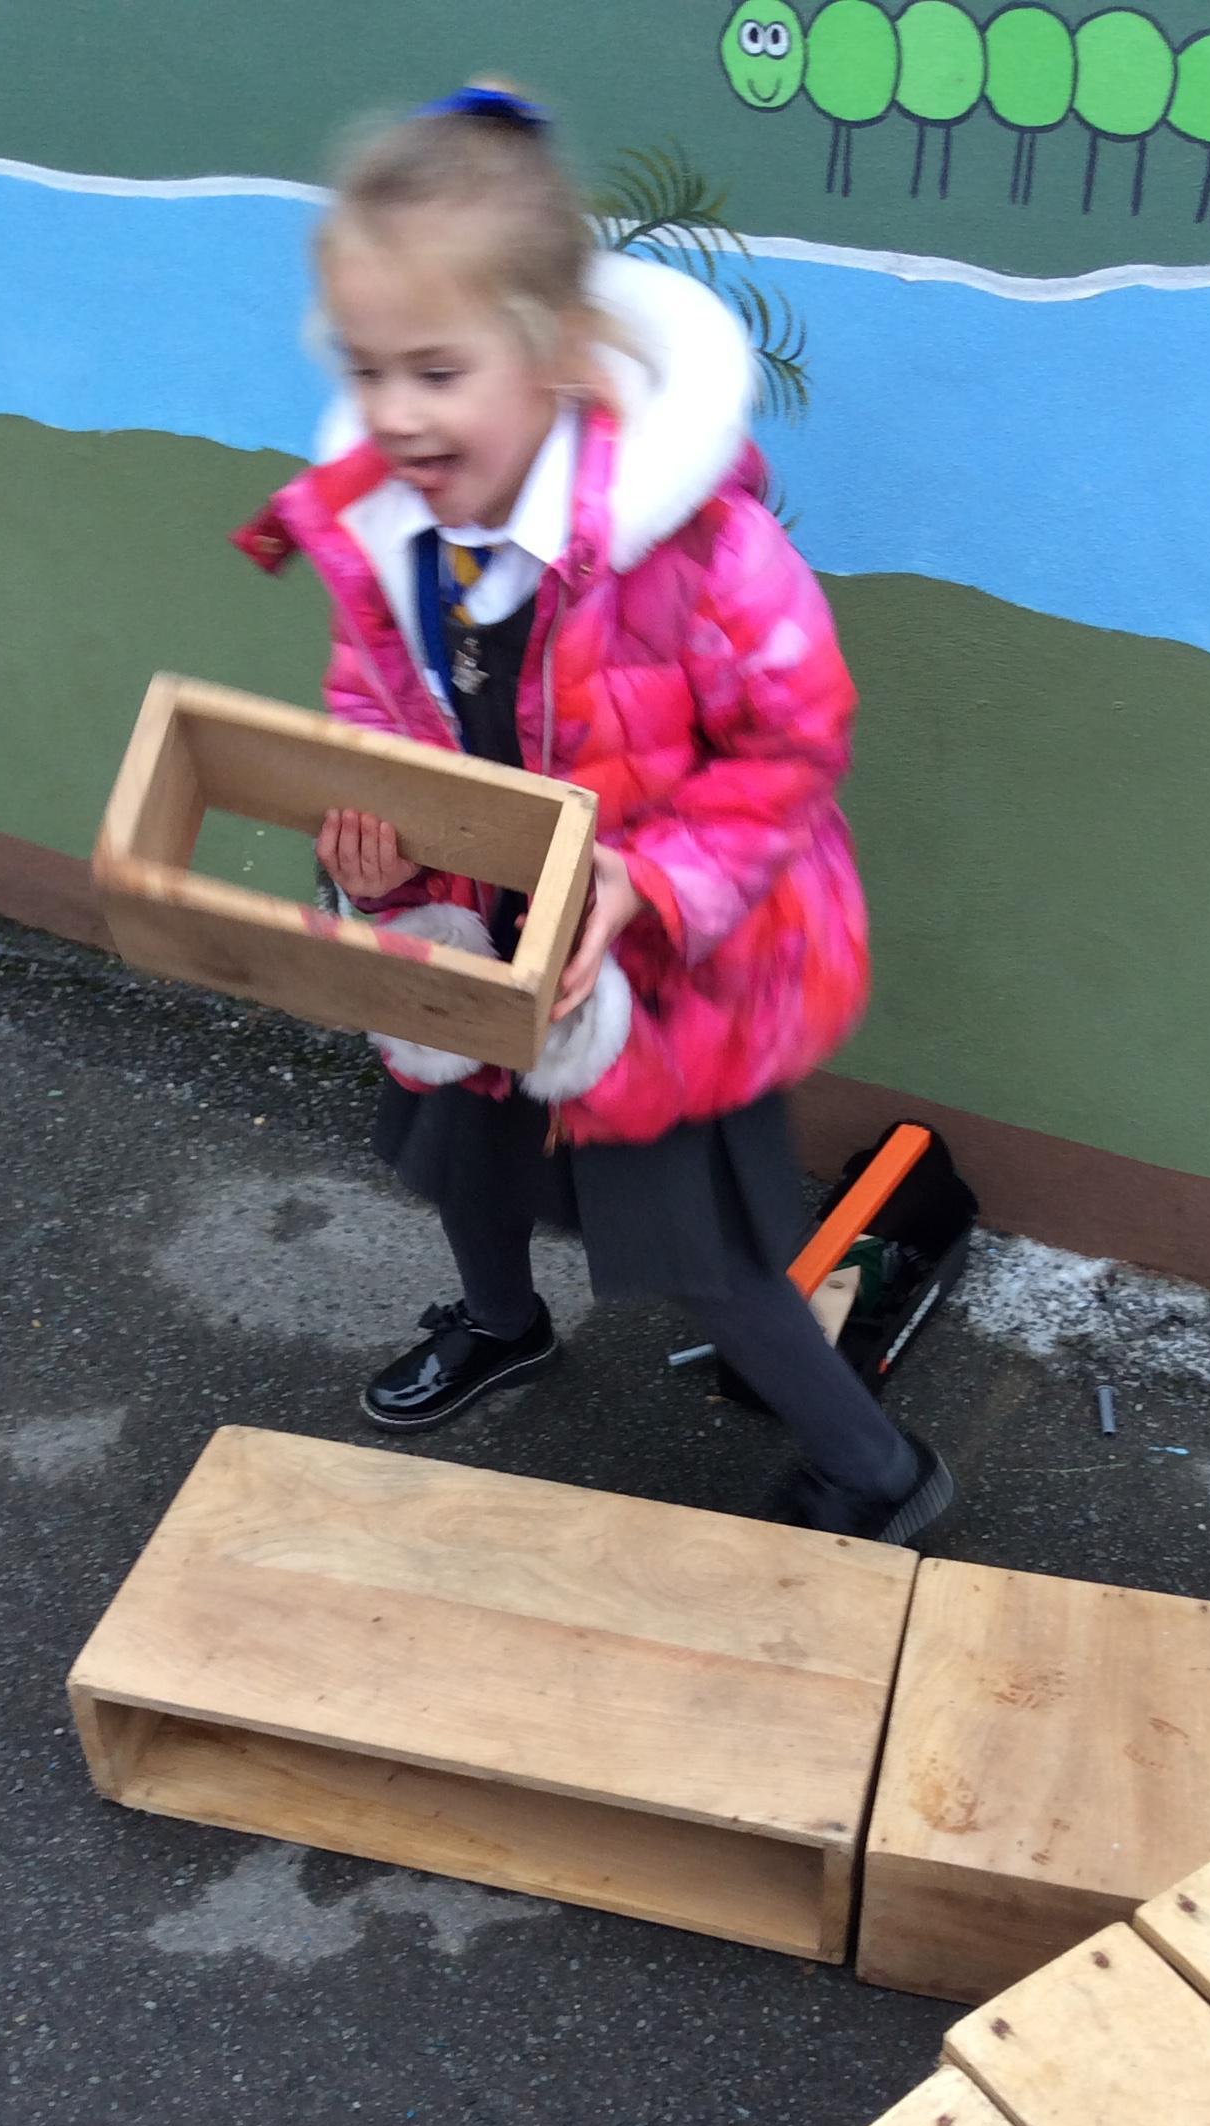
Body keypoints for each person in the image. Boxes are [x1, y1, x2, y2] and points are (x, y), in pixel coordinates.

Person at [232, 81, 955, 1545]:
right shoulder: (393, 543)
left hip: (672, 963)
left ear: (559, 355)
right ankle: (503, 1323)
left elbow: (793, 748)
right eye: (365, 370)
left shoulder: (704, 549)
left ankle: (878, 1471)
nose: (393, 414)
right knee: (463, 1152)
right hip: (491, 933)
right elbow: (374, 716)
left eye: (437, 371)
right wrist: (380, 855)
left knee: (704, 1247)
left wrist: (649, 885)